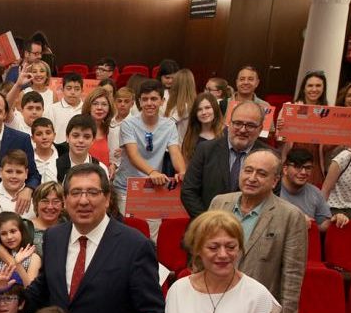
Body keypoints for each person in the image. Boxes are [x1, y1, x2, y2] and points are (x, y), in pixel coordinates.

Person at [24, 164, 165, 313]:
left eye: (92, 192)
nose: (83, 201)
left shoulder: (135, 245)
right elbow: (45, 287)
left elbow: (152, 312)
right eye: (76, 193)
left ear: (107, 198)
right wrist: (11, 301)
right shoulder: (54, 237)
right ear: (66, 199)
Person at [208, 148, 308, 313]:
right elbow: (201, 257)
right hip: (213, 305)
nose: (252, 178)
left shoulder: (290, 216)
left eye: (261, 174)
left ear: (275, 181)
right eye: (248, 171)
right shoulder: (219, 203)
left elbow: (293, 274)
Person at [181, 100, 268, 218]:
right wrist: (209, 223)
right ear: (229, 123)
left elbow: (270, 200)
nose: (242, 130)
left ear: (260, 128)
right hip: (206, 227)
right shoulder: (205, 150)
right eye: (238, 123)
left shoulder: (269, 157)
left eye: (250, 125)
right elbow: (188, 192)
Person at [111, 79, 185, 212]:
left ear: (162, 101)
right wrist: (152, 171)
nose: (149, 103)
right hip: (126, 188)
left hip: (153, 186)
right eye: (145, 99)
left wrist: (182, 171)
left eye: (154, 99)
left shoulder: (169, 125)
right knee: (127, 230)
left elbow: (175, 153)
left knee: (151, 231)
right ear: (139, 102)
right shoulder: (128, 124)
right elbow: (133, 155)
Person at [279, 148, 335, 230]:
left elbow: (323, 225)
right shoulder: (271, 189)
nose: (303, 172)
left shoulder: (315, 192)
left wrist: (336, 220)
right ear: (285, 169)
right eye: (298, 167)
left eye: (308, 168)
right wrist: (297, 221)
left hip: (305, 241)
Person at [180, 92, 224, 165]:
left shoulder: (225, 134)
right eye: (199, 109)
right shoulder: (190, 137)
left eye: (207, 108)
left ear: (215, 109)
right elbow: (186, 166)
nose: (204, 112)